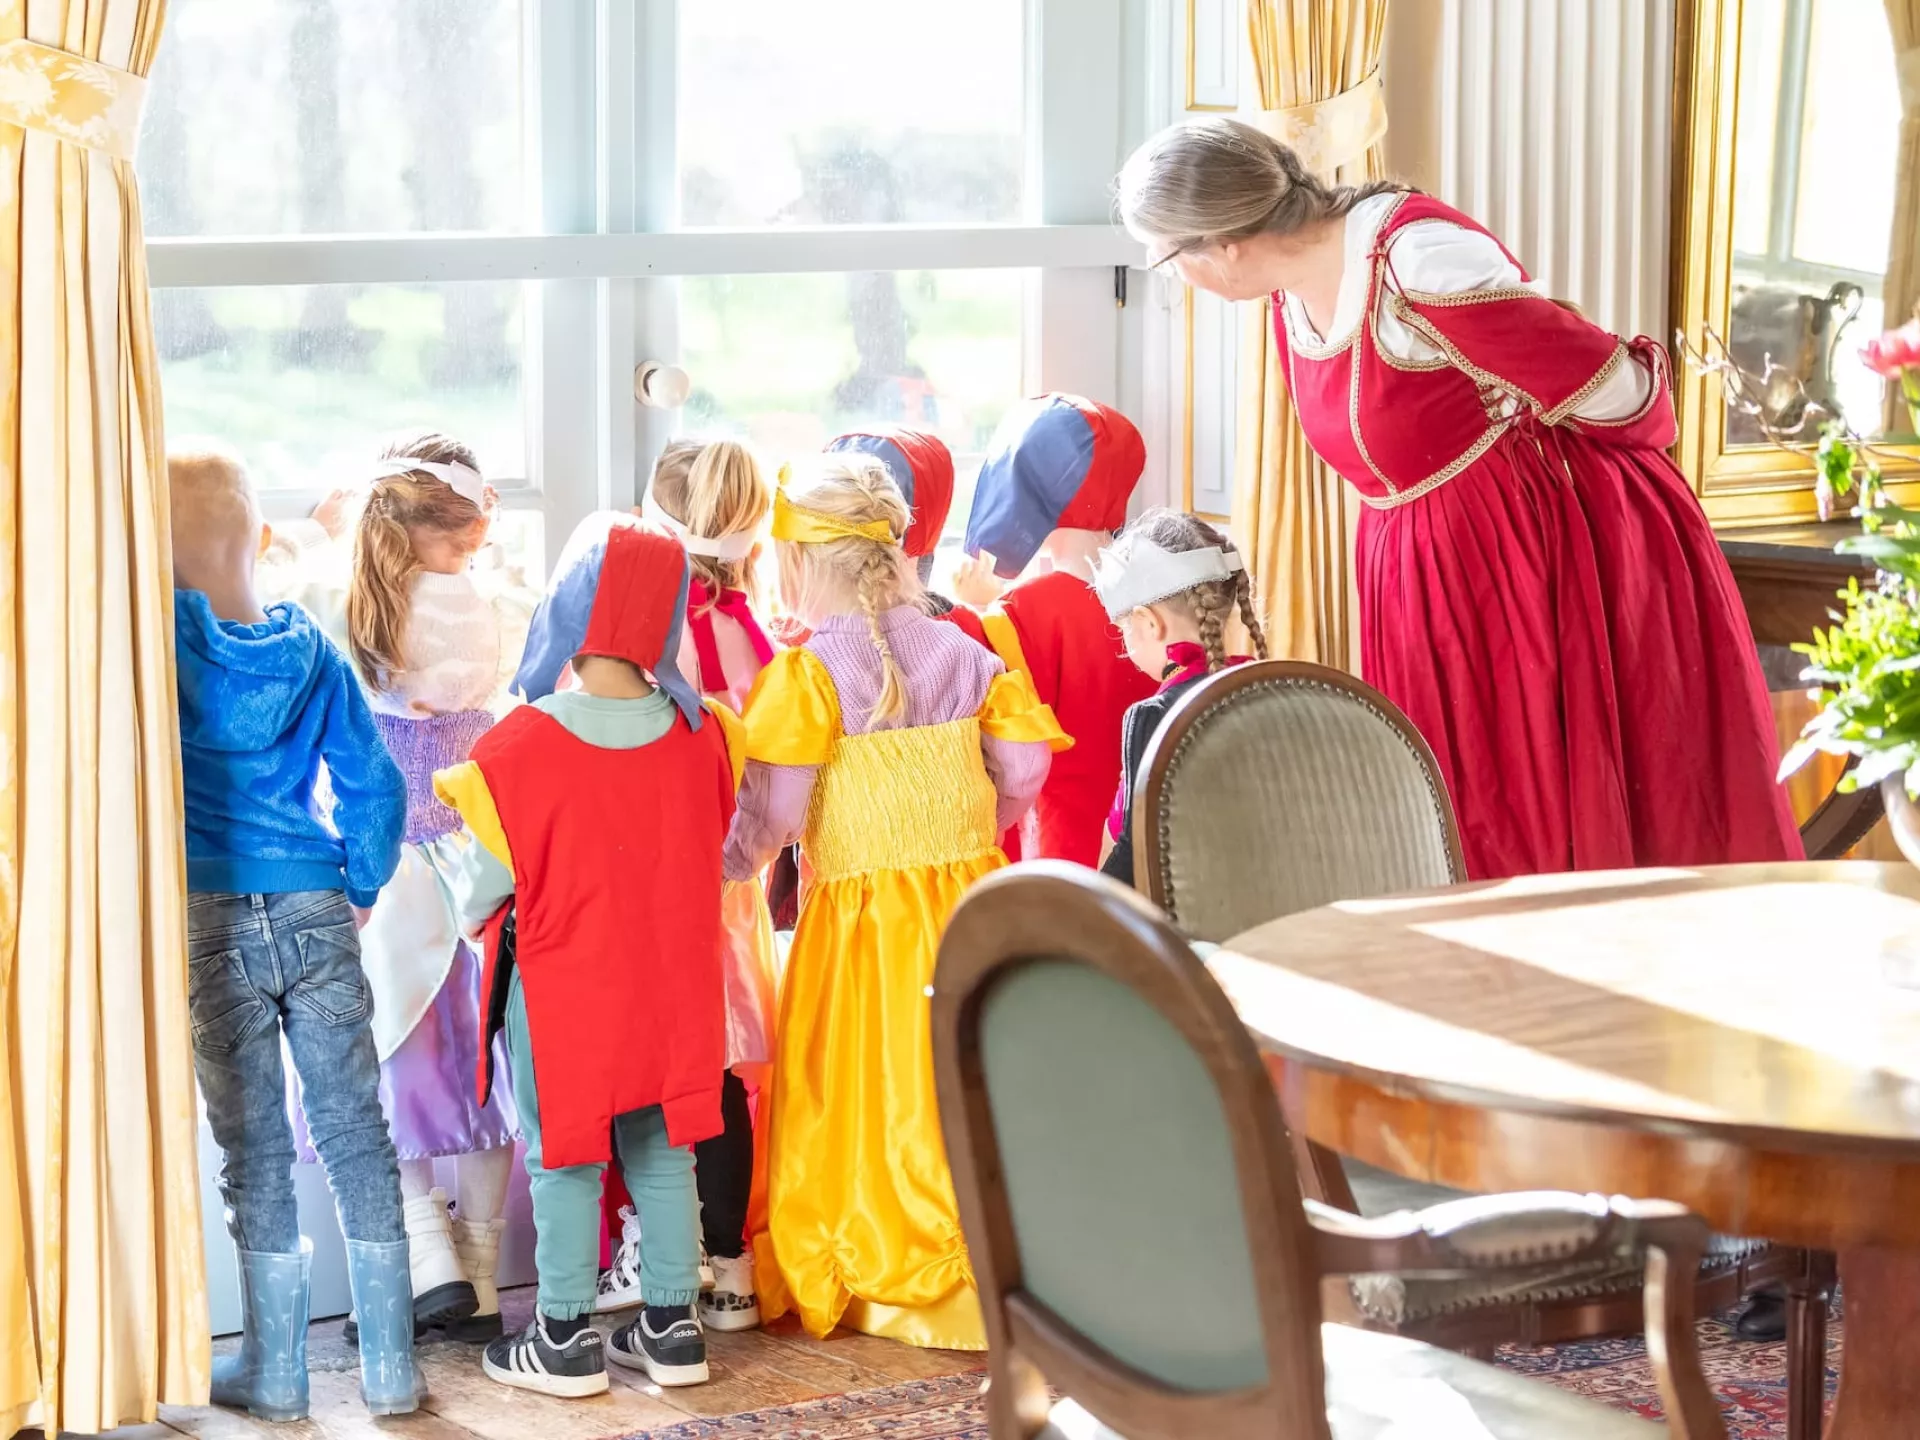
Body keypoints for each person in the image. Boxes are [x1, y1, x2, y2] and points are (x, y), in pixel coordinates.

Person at [1115, 118, 1801, 880]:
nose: (1174, 276)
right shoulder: (1291, 293)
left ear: (1227, 243)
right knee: (1456, 808)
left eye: (1169, 258)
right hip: (1422, 569)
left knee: (1532, 800)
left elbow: (1623, 392)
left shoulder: (1419, 263)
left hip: (1529, 560)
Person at [724, 457, 1069, 1349]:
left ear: (802, 561)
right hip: (968, 904)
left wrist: (731, 862)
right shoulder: (969, 650)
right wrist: (976, 824)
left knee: (870, 1075)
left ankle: (881, 1241)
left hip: (864, 928)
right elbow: (1026, 769)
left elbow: (779, 815)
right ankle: (997, 1242)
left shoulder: (808, 675)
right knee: (965, 1070)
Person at [438, 514, 739, 1396]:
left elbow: (484, 888)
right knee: (665, 1145)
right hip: (676, 985)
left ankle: (563, 1336)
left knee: (565, 1153)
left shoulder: (517, 748)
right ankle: (673, 1327)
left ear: (566, 609)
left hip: (568, 990)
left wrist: (471, 913)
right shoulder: (708, 734)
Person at [169, 444, 422, 1420]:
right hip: (317, 905)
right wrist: (360, 877)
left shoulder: (161, 650)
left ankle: (275, 1370)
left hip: (211, 912)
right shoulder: (310, 648)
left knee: (255, 1147)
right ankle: (393, 1369)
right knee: (357, 1131)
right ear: (263, 540)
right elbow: (374, 782)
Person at [585, 438, 780, 1334]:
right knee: (726, 1065)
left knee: (650, 1063)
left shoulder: (641, 640)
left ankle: (657, 1252)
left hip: (655, 875)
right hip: (733, 875)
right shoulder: (755, 632)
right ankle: (731, 1265)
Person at [331, 435, 521, 1345]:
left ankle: (428, 1252)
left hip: (385, 874)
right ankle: (477, 1272)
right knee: (484, 1076)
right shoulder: (461, 613)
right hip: (470, 865)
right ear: (432, 537)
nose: (469, 566)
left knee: (392, 1062)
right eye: (465, 550)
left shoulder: (349, 612)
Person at [950, 394, 1158, 865]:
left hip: (1061, 857)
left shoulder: (1024, 612)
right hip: (1154, 842)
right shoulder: (1160, 593)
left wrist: (973, 610)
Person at [1093, 510, 1269, 887]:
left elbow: (1130, 855)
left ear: (1148, 622)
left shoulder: (1154, 718)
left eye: (1124, 627)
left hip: (1185, 927)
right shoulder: (1271, 689)